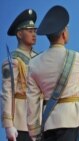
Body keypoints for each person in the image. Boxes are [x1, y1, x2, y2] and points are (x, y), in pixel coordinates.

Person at [26, 5, 79, 141]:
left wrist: (34, 132)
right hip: (71, 119)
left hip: (48, 122)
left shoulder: (34, 63)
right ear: (64, 33)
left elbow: (32, 100)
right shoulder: (78, 58)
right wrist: (72, 93)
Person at [1, 9, 38, 141]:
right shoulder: (12, 62)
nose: (34, 34)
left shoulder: (41, 59)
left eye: (35, 31)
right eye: (29, 31)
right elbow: (7, 93)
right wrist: (8, 125)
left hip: (40, 121)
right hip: (22, 123)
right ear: (19, 34)